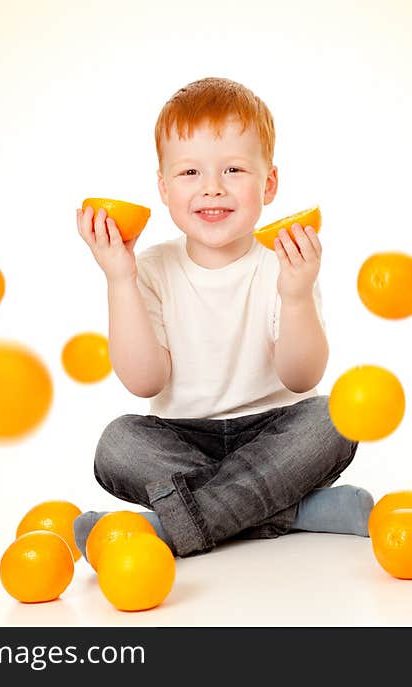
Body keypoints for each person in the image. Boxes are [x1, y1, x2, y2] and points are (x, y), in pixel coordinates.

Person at [73, 77, 373, 558]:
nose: (212, 188)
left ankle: (169, 528)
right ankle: (291, 512)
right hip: (181, 437)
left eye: (233, 169)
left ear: (268, 183)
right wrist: (119, 280)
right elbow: (145, 383)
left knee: (334, 418)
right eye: (190, 173)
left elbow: (302, 379)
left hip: (273, 430)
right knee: (118, 444)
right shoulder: (149, 268)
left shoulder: (284, 260)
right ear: (163, 187)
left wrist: (295, 296)